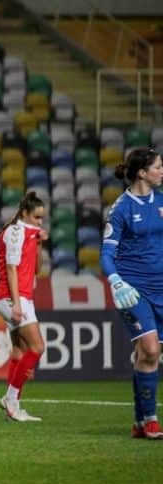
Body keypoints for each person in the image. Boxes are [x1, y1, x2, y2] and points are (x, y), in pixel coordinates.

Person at [101, 147, 163, 440]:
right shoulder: (121, 208)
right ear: (142, 172)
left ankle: (139, 422)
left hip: (161, 287)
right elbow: (106, 254)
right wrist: (116, 282)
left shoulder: (162, 202)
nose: (162, 172)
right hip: (133, 288)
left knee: (148, 354)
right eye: (158, 167)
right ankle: (151, 419)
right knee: (150, 350)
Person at [0, 191, 47, 422]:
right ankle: (11, 400)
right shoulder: (15, 232)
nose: (40, 222)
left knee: (19, 351)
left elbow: (36, 268)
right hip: (14, 298)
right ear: (25, 213)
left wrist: (39, 244)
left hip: (21, 297)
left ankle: (11, 405)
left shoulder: (28, 234)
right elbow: (11, 269)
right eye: (36, 217)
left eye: (42, 218)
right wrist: (16, 303)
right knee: (37, 347)